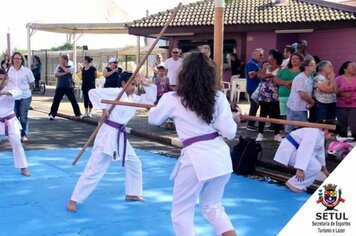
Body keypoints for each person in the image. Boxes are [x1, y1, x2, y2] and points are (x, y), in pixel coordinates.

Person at [148, 52, 238, 236]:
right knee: (213, 207)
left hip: (196, 159)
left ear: (183, 74)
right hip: (220, 156)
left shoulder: (172, 98)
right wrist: (234, 118)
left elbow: (154, 120)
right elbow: (229, 132)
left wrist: (156, 107)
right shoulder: (218, 97)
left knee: (182, 212)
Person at [66, 72, 157, 212]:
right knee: (95, 168)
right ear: (123, 84)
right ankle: (73, 200)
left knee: (134, 163)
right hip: (107, 134)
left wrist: (146, 84)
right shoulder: (115, 92)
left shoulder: (134, 98)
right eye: (132, 84)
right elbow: (92, 92)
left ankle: (132, 193)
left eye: (136, 84)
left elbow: (151, 100)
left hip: (120, 136)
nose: (134, 87)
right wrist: (103, 109)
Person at [274, 120, 341, 193]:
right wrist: (300, 169)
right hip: (289, 150)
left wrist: (325, 171)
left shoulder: (319, 134)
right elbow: (304, 150)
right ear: (326, 130)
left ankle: (298, 184)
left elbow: (320, 154)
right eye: (332, 135)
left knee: (315, 165)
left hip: (295, 150)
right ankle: (293, 183)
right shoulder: (314, 133)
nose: (331, 138)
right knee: (315, 166)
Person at [0, 69, 31, 176]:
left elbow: (19, 93)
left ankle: (23, 168)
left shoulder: (12, 88)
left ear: (6, 79)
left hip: (10, 121)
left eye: (2, 79)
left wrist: (4, 92)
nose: (1, 81)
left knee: (17, 145)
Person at [255, 50, 284, 142]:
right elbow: (260, 76)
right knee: (263, 114)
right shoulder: (266, 67)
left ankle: (277, 133)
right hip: (264, 95)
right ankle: (260, 133)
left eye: (270, 57)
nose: (268, 59)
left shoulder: (281, 69)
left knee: (276, 114)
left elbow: (277, 79)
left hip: (275, 95)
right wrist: (270, 74)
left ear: (275, 59)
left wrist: (267, 76)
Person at [7, 52, 35, 143]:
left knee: (23, 116)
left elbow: (32, 83)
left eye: (19, 58)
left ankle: (24, 135)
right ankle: (14, 134)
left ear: (22, 60)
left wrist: (25, 88)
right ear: (12, 60)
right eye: (15, 58)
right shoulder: (8, 70)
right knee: (14, 116)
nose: (17, 60)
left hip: (24, 96)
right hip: (13, 97)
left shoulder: (27, 71)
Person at [286, 59, 316, 133]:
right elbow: (302, 94)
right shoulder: (300, 78)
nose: (315, 66)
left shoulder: (309, 77)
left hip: (302, 107)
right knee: (297, 129)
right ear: (306, 67)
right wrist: (312, 101)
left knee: (301, 129)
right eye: (312, 65)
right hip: (296, 107)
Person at [48, 55, 81, 120]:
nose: (60, 61)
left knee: (73, 100)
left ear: (65, 60)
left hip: (68, 86)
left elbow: (69, 71)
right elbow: (56, 74)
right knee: (56, 101)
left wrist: (63, 68)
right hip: (60, 86)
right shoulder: (58, 66)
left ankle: (78, 114)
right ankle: (52, 114)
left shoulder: (71, 66)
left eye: (61, 59)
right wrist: (64, 73)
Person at [274, 52, 303, 121]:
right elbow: (276, 79)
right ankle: (287, 131)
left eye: (297, 58)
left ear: (301, 60)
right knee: (285, 117)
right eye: (292, 58)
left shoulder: (303, 71)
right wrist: (286, 83)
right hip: (283, 97)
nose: (294, 60)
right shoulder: (284, 70)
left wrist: (291, 81)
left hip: (297, 98)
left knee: (295, 117)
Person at [335, 61, 356, 139]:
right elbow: (334, 91)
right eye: (352, 66)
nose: (355, 68)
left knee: (354, 125)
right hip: (341, 106)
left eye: (355, 66)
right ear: (345, 69)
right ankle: (342, 143)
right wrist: (342, 94)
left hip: (354, 106)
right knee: (342, 125)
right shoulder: (338, 79)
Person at [245, 48, 264, 131]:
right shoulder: (251, 63)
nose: (262, 57)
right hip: (253, 88)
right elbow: (251, 75)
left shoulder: (257, 63)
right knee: (254, 106)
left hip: (256, 88)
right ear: (255, 55)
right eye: (260, 55)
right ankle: (250, 124)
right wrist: (262, 71)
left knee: (255, 106)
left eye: (262, 55)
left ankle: (251, 123)